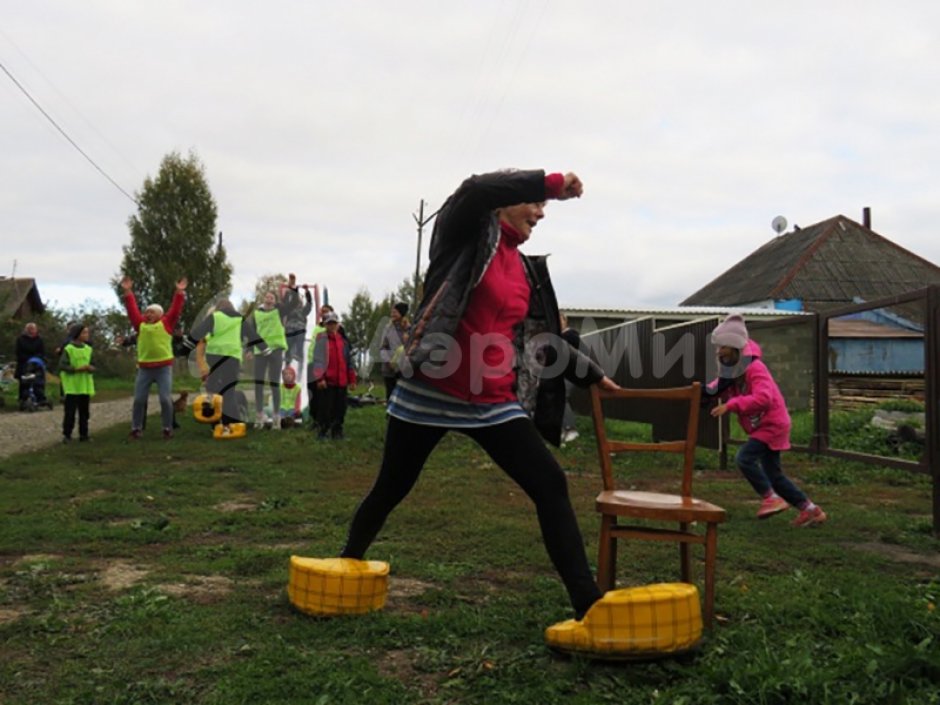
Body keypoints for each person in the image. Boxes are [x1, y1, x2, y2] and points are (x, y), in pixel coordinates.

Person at [339, 169, 620, 622]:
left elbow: (543, 336)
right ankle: (347, 563)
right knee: (391, 487)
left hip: (493, 402)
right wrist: (547, 182)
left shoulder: (527, 268)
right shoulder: (466, 233)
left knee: (550, 484)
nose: (542, 212)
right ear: (505, 202)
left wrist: (590, 375)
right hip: (431, 389)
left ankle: (587, 603)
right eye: (533, 203)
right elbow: (475, 189)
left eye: (543, 205)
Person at [707, 313, 828, 528]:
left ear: (734, 347)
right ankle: (812, 510)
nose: (719, 352)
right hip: (763, 425)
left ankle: (771, 498)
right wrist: (702, 392)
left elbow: (764, 398)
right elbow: (717, 387)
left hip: (772, 424)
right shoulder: (734, 370)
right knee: (774, 474)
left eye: (722, 347)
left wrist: (731, 405)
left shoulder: (755, 368)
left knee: (744, 459)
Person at [120, 275, 186, 439]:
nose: (148, 314)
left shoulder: (166, 324)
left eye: (152, 312)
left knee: (165, 399)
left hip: (163, 368)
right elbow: (132, 310)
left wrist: (179, 292)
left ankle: (167, 428)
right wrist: (128, 292)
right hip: (144, 369)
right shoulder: (140, 325)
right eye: (147, 312)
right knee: (139, 400)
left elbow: (175, 310)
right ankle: (136, 428)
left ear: (160, 315)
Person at [184, 298, 247, 431]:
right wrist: (204, 370)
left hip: (226, 362)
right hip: (211, 367)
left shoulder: (228, 325)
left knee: (226, 393)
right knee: (215, 395)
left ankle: (231, 422)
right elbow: (200, 355)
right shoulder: (207, 333)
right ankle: (217, 423)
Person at [245, 291, 289, 429]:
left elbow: (291, 305)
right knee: (259, 382)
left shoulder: (278, 311)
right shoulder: (256, 314)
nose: (269, 299)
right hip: (260, 350)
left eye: (272, 297)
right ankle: (259, 415)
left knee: (274, 382)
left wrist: (292, 289)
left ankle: (276, 416)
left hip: (275, 350)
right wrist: (249, 350)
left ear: (275, 301)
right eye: (267, 297)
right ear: (263, 300)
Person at [311, 311, 357, 439]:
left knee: (340, 409)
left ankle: (337, 432)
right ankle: (323, 432)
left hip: (341, 382)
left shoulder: (344, 342)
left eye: (334, 323)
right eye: (329, 324)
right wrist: (320, 378)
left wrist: (352, 380)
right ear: (325, 325)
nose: (332, 326)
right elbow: (318, 361)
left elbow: (349, 362)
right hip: (328, 383)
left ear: (338, 325)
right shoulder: (321, 340)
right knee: (325, 409)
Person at [59, 323, 95, 442]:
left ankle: (84, 434)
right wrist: (76, 369)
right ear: (77, 334)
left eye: (87, 332)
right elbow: (62, 365)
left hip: (84, 385)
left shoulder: (88, 349)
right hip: (72, 386)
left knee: (84, 412)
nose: (87, 335)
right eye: (84, 332)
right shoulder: (68, 349)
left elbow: (93, 363)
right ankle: (67, 434)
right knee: (70, 412)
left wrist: (91, 368)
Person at [305, 304, 333, 430]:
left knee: (321, 393)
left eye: (326, 312)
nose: (323, 314)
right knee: (311, 392)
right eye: (322, 312)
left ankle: (323, 420)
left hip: (322, 365)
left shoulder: (330, 329)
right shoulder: (317, 327)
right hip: (311, 363)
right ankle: (314, 418)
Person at [281, 274, 313, 370]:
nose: (298, 303)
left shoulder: (303, 311)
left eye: (299, 302)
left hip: (299, 329)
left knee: (299, 347)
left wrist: (307, 291)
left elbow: (309, 303)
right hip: (290, 329)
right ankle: (287, 363)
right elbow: (286, 301)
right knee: (288, 347)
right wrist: (291, 287)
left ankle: (299, 364)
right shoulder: (289, 309)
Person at [379, 302, 409, 400]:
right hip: (389, 369)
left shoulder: (409, 329)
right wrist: (388, 362)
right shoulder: (388, 329)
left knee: (402, 397)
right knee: (390, 396)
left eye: (395, 312)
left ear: (401, 313)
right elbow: (382, 347)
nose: (392, 314)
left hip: (403, 369)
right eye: (392, 312)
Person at [14, 322, 46, 408]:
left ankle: (39, 398)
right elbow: (18, 352)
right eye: (29, 329)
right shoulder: (20, 339)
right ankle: (23, 400)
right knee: (24, 383)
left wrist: (36, 359)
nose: (31, 331)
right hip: (24, 363)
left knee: (38, 382)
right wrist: (28, 359)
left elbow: (42, 352)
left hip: (37, 364)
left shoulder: (39, 340)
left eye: (33, 329)